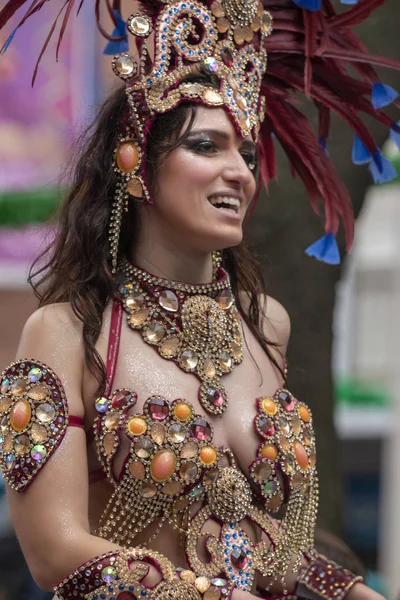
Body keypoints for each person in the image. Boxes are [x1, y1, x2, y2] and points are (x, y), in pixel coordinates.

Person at [0, 1, 399, 599]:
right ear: (135, 165)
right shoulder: (63, 331)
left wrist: (346, 590)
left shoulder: (267, 325)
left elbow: (263, 543)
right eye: (207, 146)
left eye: (244, 153)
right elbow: (54, 551)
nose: (239, 171)